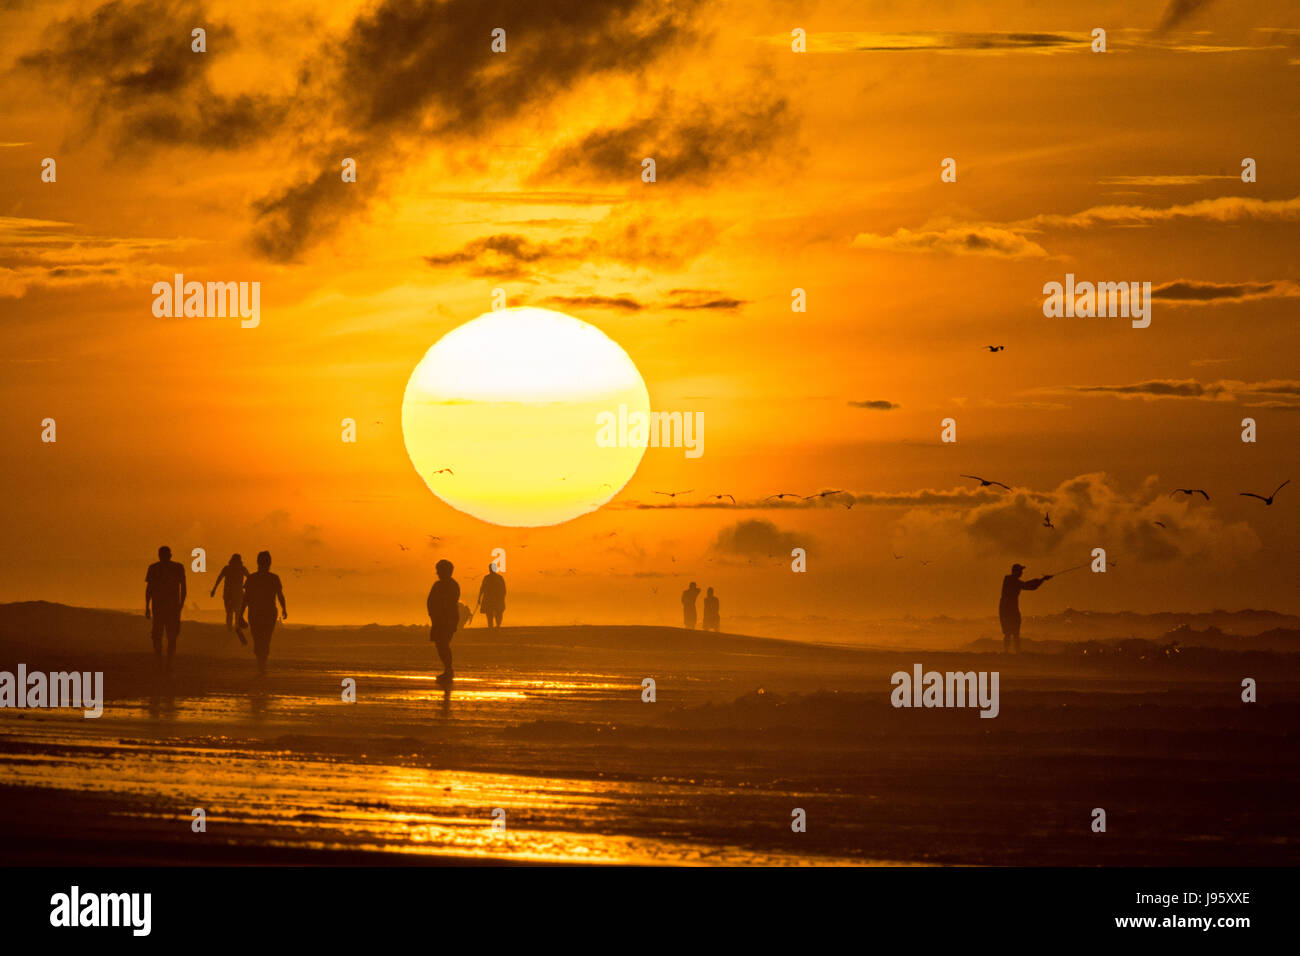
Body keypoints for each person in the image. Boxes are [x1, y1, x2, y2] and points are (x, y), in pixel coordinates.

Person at [240, 551, 286, 676]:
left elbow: (246, 598)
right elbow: (280, 595)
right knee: (265, 639)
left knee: (258, 639)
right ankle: (262, 664)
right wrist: (284, 608)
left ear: (258, 562)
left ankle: (261, 664)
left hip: (255, 613)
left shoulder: (252, 578)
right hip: (269, 613)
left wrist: (240, 614)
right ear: (269, 563)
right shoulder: (273, 578)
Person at [145, 545, 186, 673]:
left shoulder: (175, 567)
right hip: (163, 608)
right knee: (162, 636)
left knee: (167, 636)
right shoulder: (155, 568)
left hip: (168, 608)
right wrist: (147, 606)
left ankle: (166, 663)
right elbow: (149, 589)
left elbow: (183, 588)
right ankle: (163, 663)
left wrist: (180, 605)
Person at [999, 563, 1051, 654]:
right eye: (1020, 571)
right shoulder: (1012, 581)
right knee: (1013, 633)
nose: (1021, 573)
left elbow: (1027, 585)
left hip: (1006, 609)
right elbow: (1029, 586)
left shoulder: (1008, 579)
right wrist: (1043, 579)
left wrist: (1042, 580)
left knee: (1010, 632)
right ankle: (1014, 652)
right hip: (1009, 610)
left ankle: (1009, 652)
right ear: (1016, 571)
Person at [427, 559, 460, 685]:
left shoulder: (449, 585)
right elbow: (431, 601)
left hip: (446, 620)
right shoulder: (442, 585)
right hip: (440, 619)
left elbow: (448, 603)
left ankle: (448, 670)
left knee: (443, 644)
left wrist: (437, 615)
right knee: (441, 645)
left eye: (439, 570)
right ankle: (448, 669)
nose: (437, 573)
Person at [210, 553, 249, 645]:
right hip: (233, 594)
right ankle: (233, 630)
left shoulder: (228, 568)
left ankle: (230, 630)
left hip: (232, 594)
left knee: (231, 613)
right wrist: (214, 589)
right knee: (234, 612)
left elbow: (219, 579)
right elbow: (250, 578)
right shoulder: (237, 569)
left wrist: (214, 589)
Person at [478, 563, 506, 628]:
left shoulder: (488, 578)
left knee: (495, 613)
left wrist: (479, 598)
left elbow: (482, 589)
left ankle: (494, 626)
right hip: (493, 599)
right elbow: (482, 588)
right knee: (493, 613)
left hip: (493, 599)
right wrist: (479, 598)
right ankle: (494, 626)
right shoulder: (498, 578)